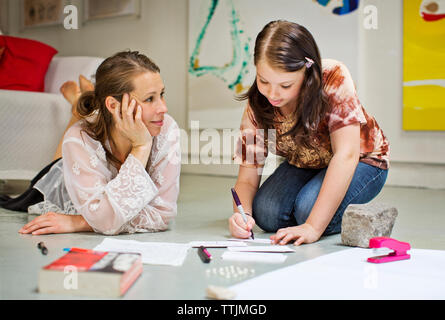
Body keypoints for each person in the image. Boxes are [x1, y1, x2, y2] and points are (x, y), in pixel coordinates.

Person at [229, 21, 389, 246]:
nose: (272, 94)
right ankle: (312, 205)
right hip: (307, 163)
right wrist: (241, 215)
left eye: (285, 86)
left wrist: (312, 227)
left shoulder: (333, 76)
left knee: (308, 212)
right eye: (263, 81)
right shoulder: (257, 102)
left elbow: (346, 155)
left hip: (364, 161)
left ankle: (329, 212)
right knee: (265, 213)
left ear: (306, 73)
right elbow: (246, 179)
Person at [0, 50, 181, 235]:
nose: (164, 108)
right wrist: (141, 147)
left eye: (162, 94)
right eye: (149, 98)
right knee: (75, 137)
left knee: (82, 132)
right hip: (61, 179)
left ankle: (82, 102)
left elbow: (162, 214)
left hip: (94, 142)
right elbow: (105, 220)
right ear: (113, 105)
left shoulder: (167, 129)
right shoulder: (78, 138)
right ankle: (78, 106)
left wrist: (80, 222)